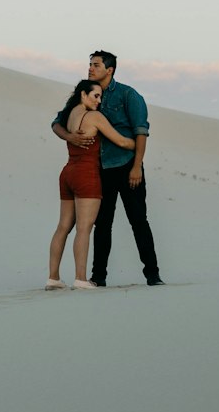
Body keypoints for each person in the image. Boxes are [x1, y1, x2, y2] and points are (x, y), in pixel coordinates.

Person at [51, 50, 164, 286]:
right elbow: (57, 123)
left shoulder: (128, 95)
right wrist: (70, 137)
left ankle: (153, 275)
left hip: (127, 167)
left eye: (96, 65)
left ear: (109, 70)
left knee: (138, 221)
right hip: (100, 170)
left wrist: (136, 166)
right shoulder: (86, 95)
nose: (90, 68)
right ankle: (98, 277)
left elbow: (141, 131)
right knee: (102, 224)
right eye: (90, 64)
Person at [46, 79, 136, 290]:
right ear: (83, 95)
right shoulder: (94, 116)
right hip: (86, 175)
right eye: (95, 96)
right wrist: (137, 142)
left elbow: (55, 127)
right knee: (84, 228)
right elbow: (121, 141)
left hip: (68, 172)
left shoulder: (68, 115)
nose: (99, 100)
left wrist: (68, 136)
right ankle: (80, 278)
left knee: (63, 227)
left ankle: (53, 278)